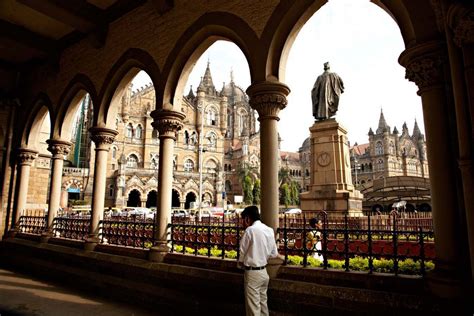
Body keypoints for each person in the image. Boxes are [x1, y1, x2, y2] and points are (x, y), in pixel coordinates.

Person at [238, 205, 279, 316]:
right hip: (264, 273)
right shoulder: (269, 230)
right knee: (263, 305)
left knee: (253, 309)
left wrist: (240, 263)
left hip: (252, 273)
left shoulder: (250, 230)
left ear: (247, 219)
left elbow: (242, 252)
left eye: (243, 220)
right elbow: (274, 253)